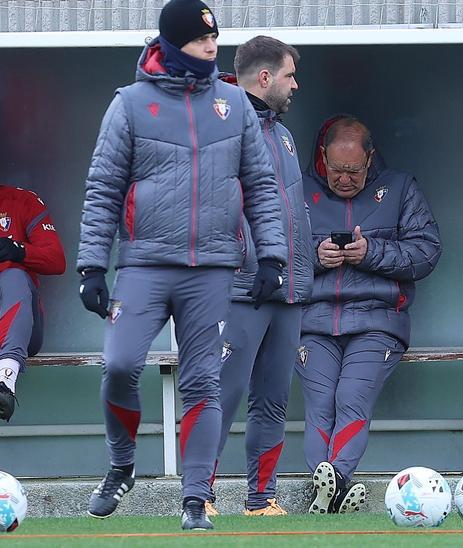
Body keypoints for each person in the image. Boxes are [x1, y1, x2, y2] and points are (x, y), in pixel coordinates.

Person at [76, 0, 287, 530]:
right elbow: (103, 187)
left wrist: (272, 255)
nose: (211, 47)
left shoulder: (234, 104)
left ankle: (195, 501)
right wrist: (91, 266)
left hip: (213, 268)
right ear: (172, 43)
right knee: (119, 365)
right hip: (144, 264)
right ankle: (122, 464)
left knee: (202, 383)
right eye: (200, 39)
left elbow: (261, 186)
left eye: (214, 38)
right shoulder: (129, 104)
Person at [299, 115, 441, 514]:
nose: (344, 179)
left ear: (370, 158)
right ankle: (334, 488)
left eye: (354, 171)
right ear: (323, 156)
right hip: (313, 321)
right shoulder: (297, 189)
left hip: (377, 321)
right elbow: (269, 253)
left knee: (351, 397)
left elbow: (428, 251)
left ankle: (332, 482)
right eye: (336, 170)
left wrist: (371, 253)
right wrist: (315, 256)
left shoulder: (400, 188)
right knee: (320, 403)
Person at [207, 35, 309, 517]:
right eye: (290, 76)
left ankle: (261, 499)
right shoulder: (221, 127)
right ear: (265, 77)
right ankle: (198, 496)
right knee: (219, 395)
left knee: (272, 401)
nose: (296, 85)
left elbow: (290, 211)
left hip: (288, 291)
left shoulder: (284, 135)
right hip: (240, 289)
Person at [0, 185, 67, 422]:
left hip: (20, 329)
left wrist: (18, 251)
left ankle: (5, 382)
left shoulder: (21, 200)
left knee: (14, 276)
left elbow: (57, 260)